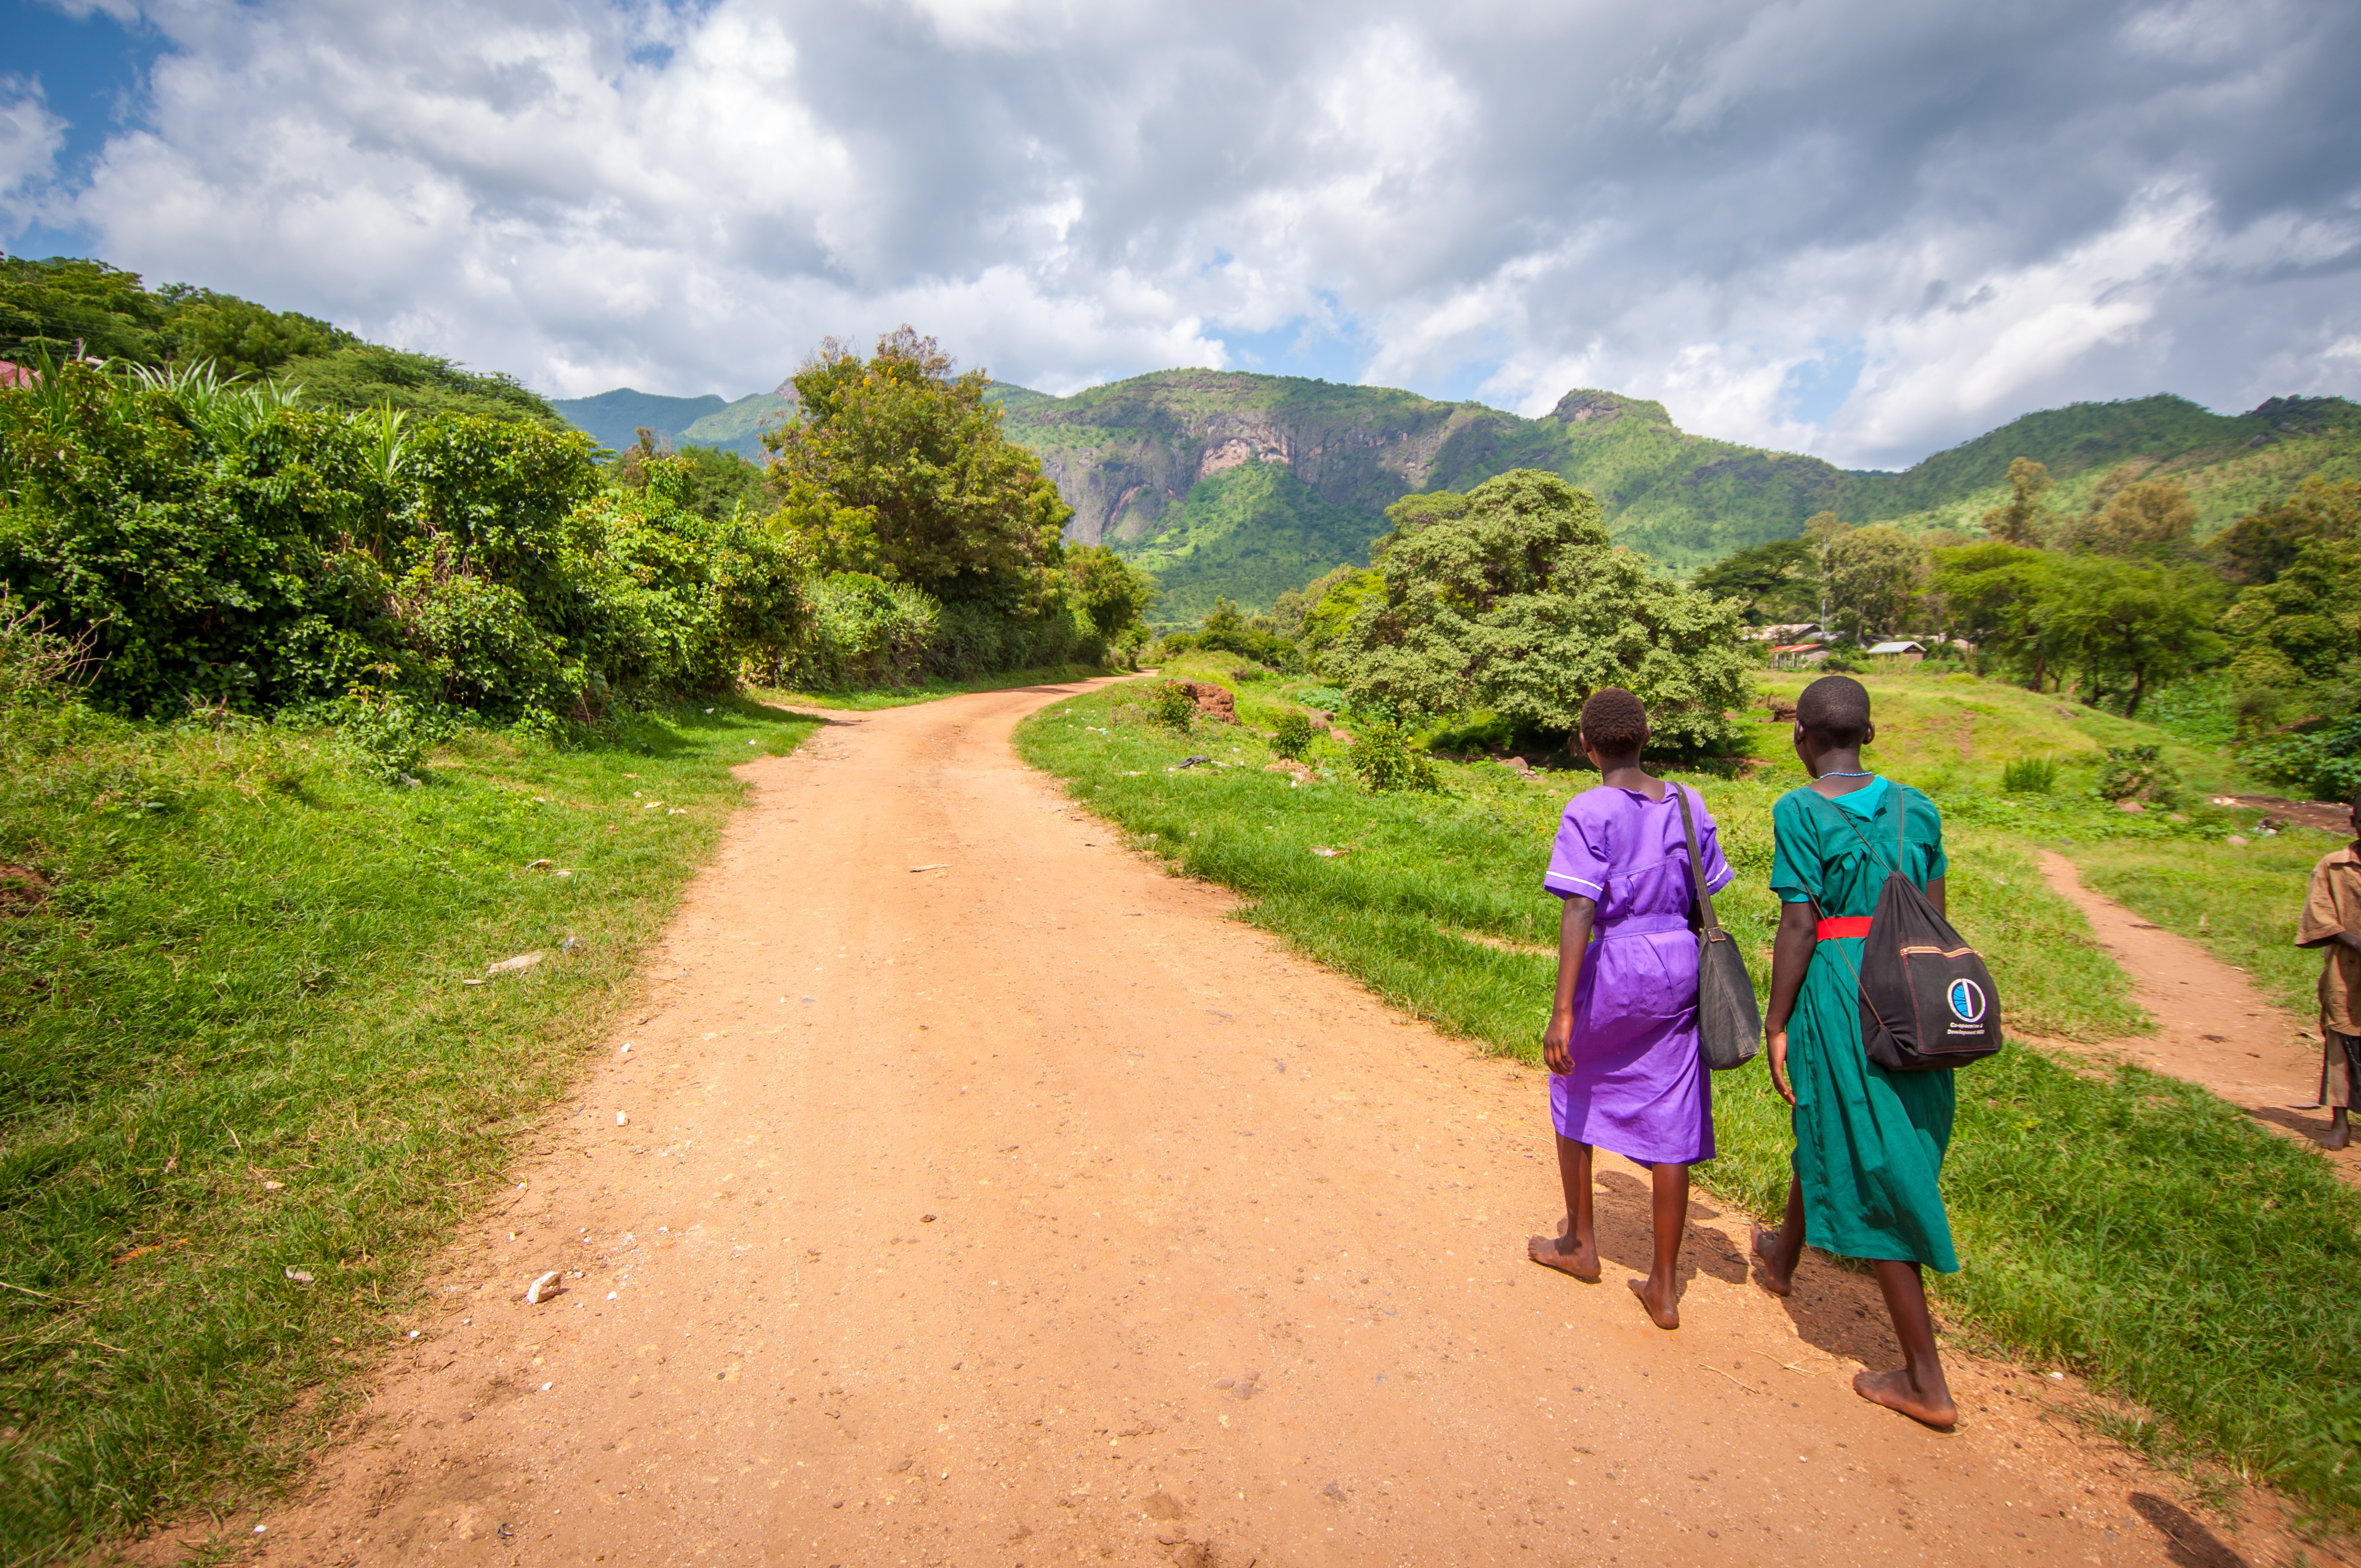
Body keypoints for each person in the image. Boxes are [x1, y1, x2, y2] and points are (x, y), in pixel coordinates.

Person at [1748, 674, 1960, 1428]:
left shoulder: (1800, 809)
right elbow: (1934, 917)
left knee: (1875, 1158)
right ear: (1868, 736)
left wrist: (1776, 1021)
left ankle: (1925, 1378)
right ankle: (1780, 1258)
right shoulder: (1918, 807)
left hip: (1843, 989)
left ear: (1801, 736)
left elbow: (1800, 926)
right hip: (1914, 987)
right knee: (1843, 1122)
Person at [1526, 687, 1734, 1330]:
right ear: (1646, 738)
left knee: (1572, 1084)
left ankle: (1579, 1243)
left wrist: (1563, 1012)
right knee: (1673, 1112)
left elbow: (1580, 907)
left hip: (1619, 960)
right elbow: (1706, 896)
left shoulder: (1587, 809)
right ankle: (1664, 1287)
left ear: (1586, 745)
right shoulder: (1687, 800)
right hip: (1678, 961)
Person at [2298, 791, 2361, 1150]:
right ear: (2353, 823)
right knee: (2341, 1039)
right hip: (2347, 967)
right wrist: (2353, 940)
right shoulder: (2333, 866)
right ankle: (2340, 1123)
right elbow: (2318, 916)